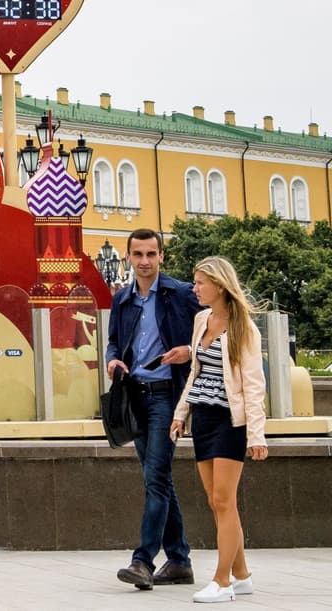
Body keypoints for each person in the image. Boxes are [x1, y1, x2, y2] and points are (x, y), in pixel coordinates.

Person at [105, 228, 199, 590]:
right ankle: (179, 560)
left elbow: (218, 331)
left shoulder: (182, 294)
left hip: (166, 397)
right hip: (134, 397)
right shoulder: (123, 299)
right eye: (138, 254)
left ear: (161, 257)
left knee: (156, 478)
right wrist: (113, 360)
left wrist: (189, 352)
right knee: (157, 478)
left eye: (151, 254)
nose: (144, 261)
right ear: (128, 257)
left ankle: (142, 560)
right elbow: (114, 341)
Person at [170, 256, 268, 604]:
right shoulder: (201, 320)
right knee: (216, 502)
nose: (194, 288)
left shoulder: (244, 328)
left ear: (220, 285)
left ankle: (222, 581)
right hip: (204, 418)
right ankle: (242, 575)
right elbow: (195, 373)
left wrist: (256, 435)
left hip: (230, 421)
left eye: (200, 283)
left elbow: (254, 386)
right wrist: (181, 414)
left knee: (224, 501)